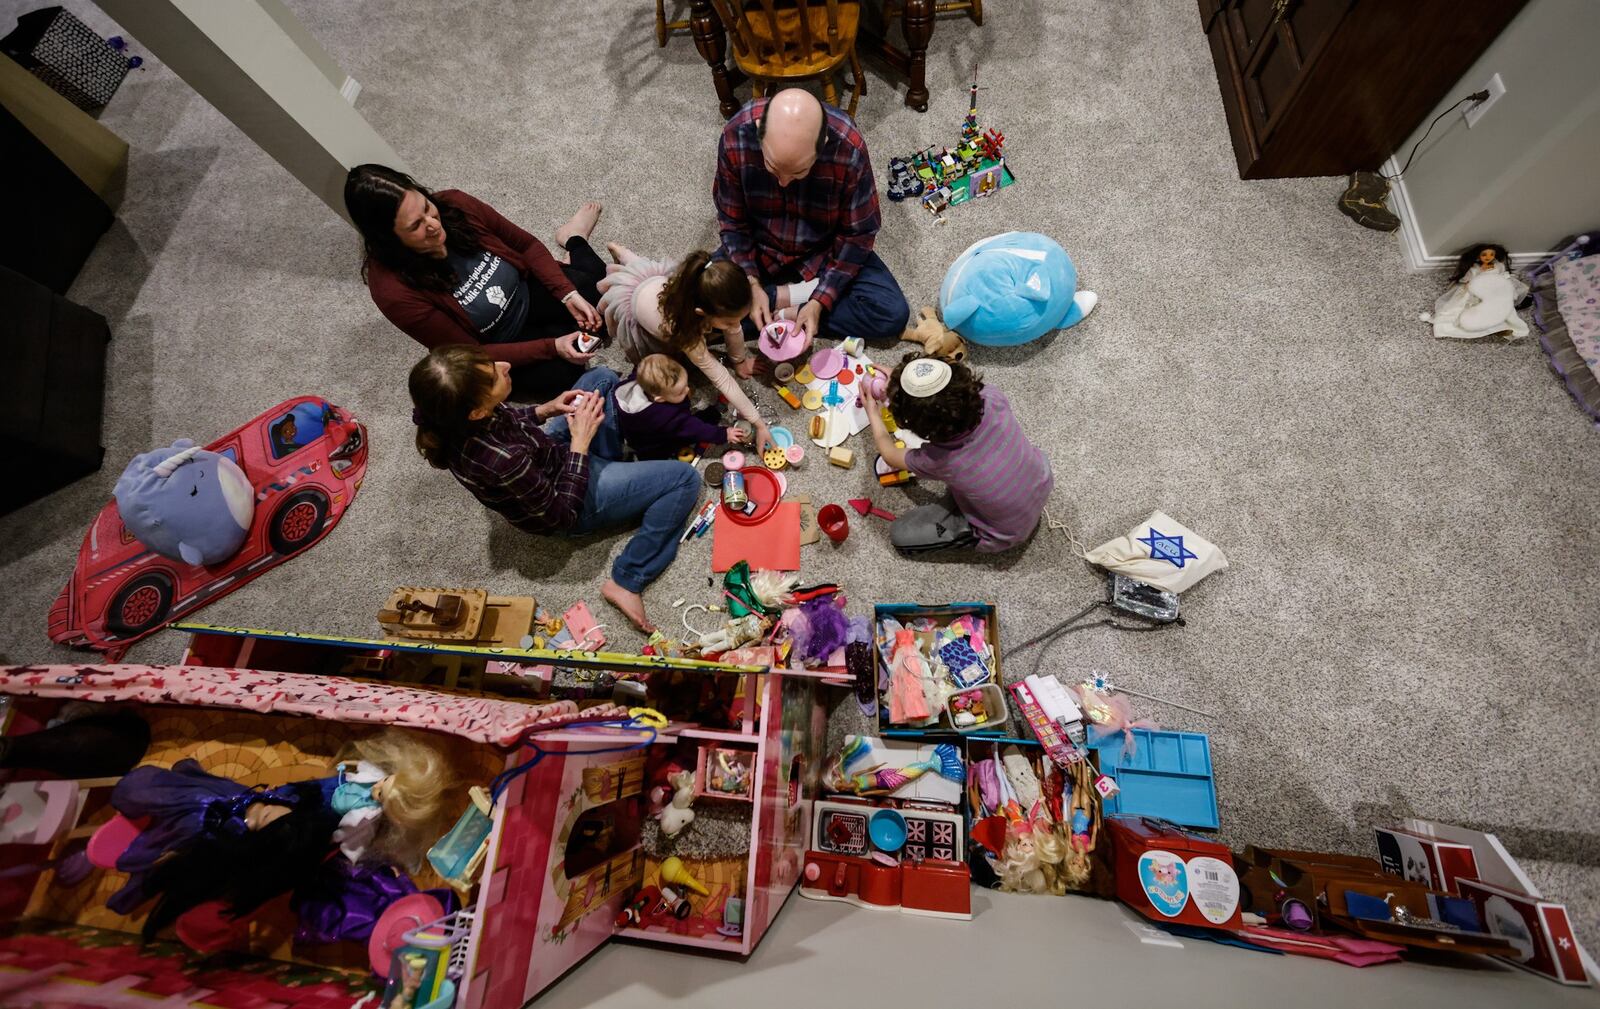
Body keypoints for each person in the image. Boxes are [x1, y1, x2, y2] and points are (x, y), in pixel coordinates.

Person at [410, 344, 699, 630]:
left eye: (492, 363)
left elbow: (512, 422)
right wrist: (581, 442)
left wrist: (546, 410)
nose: (505, 366)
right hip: (572, 498)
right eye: (494, 376)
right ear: (476, 412)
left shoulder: (467, 418)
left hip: (552, 454)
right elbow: (561, 515)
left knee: (601, 377)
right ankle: (628, 579)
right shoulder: (502, 462)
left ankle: (611, 458)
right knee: (684, 479)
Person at [346, 164, 607, 400]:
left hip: (526, 288)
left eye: (427, 207)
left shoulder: (456, 203)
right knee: (565, 378)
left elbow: (525, 245)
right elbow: (470, 353)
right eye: (416, 225)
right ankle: (574, 253)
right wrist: (551, 347)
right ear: (390, 239)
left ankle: (573, 238)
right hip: (498, 343)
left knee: (603, 296)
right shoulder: (393, 291)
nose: (433, 224)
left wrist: (566, 294)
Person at [713, 89, 909, 346]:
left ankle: (773, 308)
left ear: (824, 143)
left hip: (823, 250)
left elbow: (858, 235)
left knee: (890, 314)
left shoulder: (849, 148)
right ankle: (771, 301)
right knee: (690, 300)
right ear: (760, 131)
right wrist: (750, 281)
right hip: (759, 246)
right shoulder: (735, 136)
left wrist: (819, 301)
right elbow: (733, 222)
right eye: (772, 167)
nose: (783, 182)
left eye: (799, 171)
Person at [863, 355, 1052, 555]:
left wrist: (873, 415)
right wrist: (903, 380)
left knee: (899, 534)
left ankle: (976, 531)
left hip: (1007, 532)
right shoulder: (991, 395)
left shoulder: (941, 459)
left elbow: (890, 454)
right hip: (1041, 481)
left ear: (920, 429)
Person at [598, 247, 774, 451]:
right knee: (664, 364)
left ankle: (623, 254)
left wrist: (740, 361)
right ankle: (622, 256)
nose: (735, 325)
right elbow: (720, 377)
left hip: (657, 283)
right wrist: (758, 423)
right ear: (701, 313)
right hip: (639, 305)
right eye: (728, 322)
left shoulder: (700, 289)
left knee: (637, 266)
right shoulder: (680, 331)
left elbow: (734, 328)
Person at [614, 354, 748, 460]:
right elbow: (696, 429)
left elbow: (643, 367)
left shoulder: (639, 381)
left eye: (685, 384)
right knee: (691, 429)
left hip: (640, 434)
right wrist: (724, 434)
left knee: (690, 421)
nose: (687, 390)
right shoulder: (666, 416)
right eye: (680, 392)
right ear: (660, 399)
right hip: (653, 446)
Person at [1419, 242, 1529, 340]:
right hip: (1478, 292)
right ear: (1478, 256)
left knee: (1504, 310)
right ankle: (1480, 325)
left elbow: (1503, 277)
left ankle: (1503, 327)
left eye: (1491, 254)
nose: (1488, 257)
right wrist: (1469, 285)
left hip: (1495, 292)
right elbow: (1467, 279)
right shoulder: (1475, 269)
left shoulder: (1498, 266)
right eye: (1484, 255)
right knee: (1466, 308)